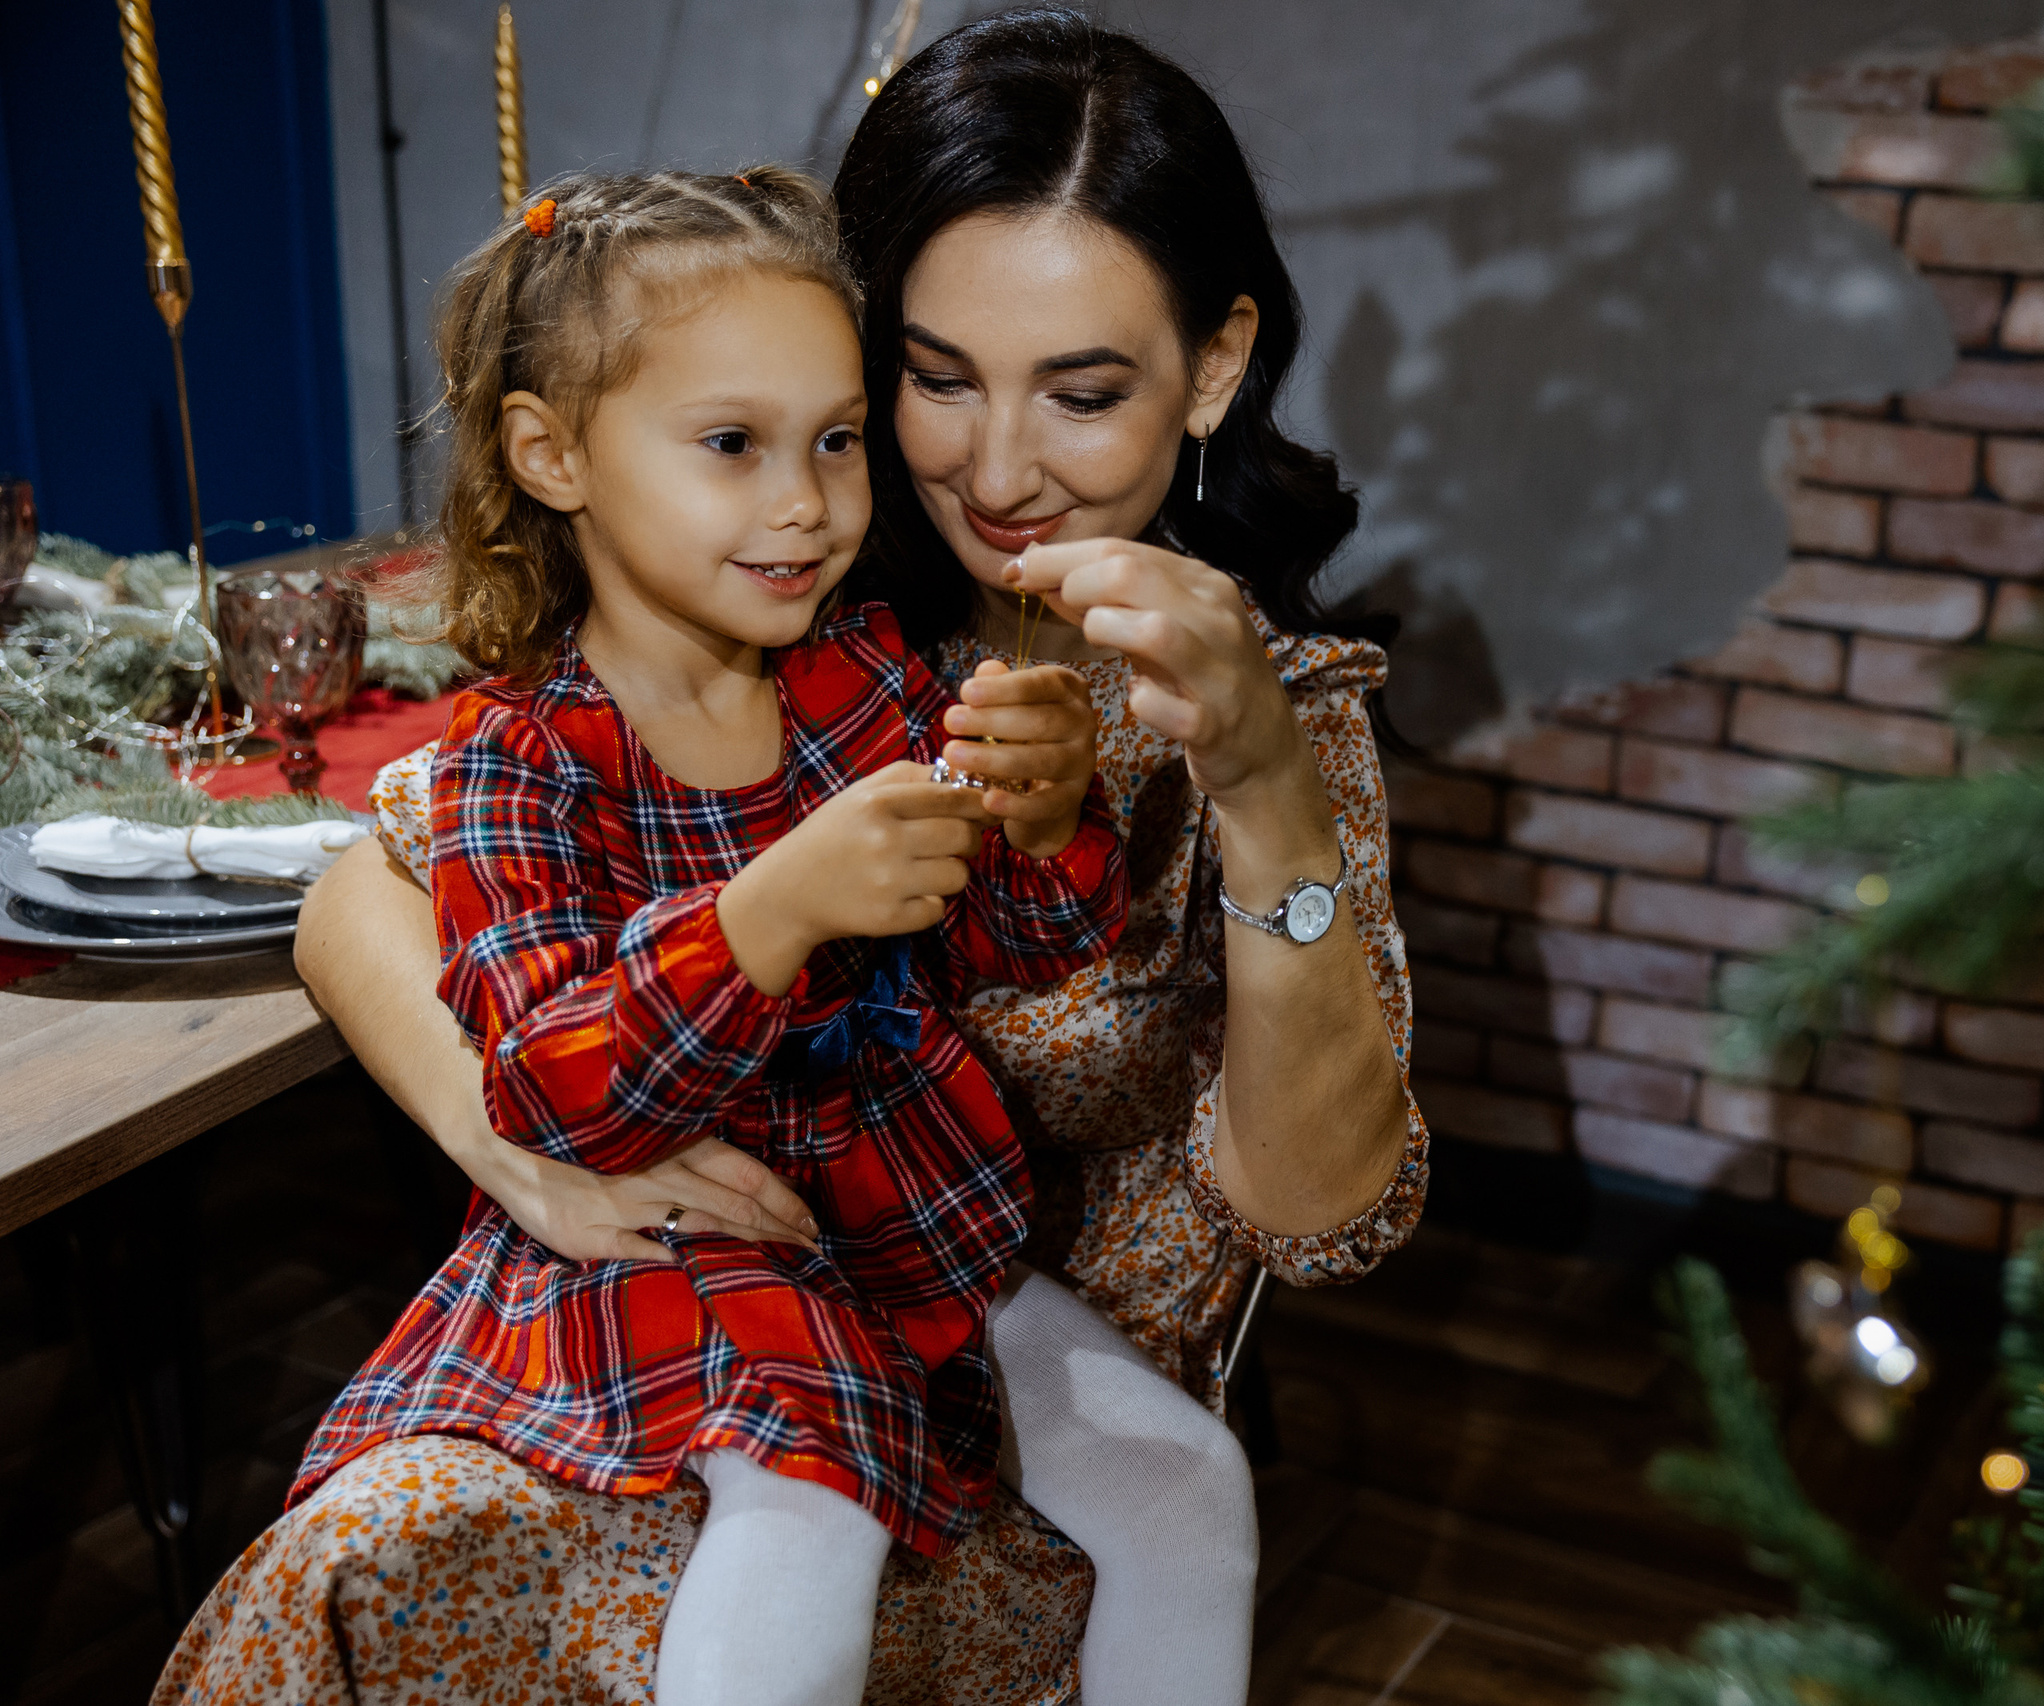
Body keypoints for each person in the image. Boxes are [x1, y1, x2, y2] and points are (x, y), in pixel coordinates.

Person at [157, 12, 1429, 1705]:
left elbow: (1294, 1189)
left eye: (1085, 389)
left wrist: (1200, 792)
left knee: (1148, 1498)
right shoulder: (769, 634)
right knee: (375, 1563)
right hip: (706, 1306)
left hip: (960, 1334)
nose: (988, 468)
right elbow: (365, 894)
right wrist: (536, 1155)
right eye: (933, 378)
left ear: (1212, 365)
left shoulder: (1024, 690)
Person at [290, 161, 1136, 1706]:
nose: (805, 503)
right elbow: (549, 1083)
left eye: (833, 441)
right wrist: (764, 914)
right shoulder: (518, 764)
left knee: (1190, 1480)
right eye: (732, 445)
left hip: (903, 1238)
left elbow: (1026, 940)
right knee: (801, 1534)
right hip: (684, 1261)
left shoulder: (865, 681)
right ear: (552, 454)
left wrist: (1048, 812)